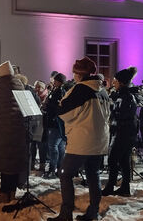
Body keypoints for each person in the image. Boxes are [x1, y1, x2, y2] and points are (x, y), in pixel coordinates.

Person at [49, 57, 111, 221]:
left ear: (81, 74)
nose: (73, 75)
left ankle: (66, 213)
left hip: (82, 140)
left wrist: (56, 106)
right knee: (93, 174)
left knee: (65, 174)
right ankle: (93, 212)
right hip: (99, 140)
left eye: (75, 72)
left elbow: (64, 113)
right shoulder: (102, 90)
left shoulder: (81, 89)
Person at [0, 61, 26, 204]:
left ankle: (4, 193)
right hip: (19, 127)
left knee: (5, 161)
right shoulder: (19, 84)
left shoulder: (1, 85)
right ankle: (12, 192)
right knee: (14, 161)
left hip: (5, 127)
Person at [102, 66, 138, 197]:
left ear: (121, 82)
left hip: (123, 132)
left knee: (112, 160)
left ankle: (110, 187)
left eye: (115, 80)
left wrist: (111, 107)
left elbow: (121, 115)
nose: (113, 83)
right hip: (125, 132)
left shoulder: (126, 97)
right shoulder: (123, 95)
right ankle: (125, 188)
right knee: (124, 161)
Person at [44, 72, 67, 178]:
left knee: (53, 146)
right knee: (60, 146)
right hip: (56, 122)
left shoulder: (60, 92)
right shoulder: (56, 90)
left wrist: (48, 104)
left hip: (56, 123)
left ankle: (53, 169)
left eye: (55, 81)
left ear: (59, 82)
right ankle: (59, 168)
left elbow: (58, 106)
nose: (53, 82)